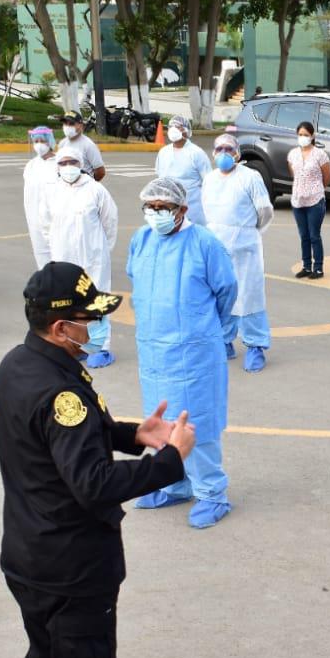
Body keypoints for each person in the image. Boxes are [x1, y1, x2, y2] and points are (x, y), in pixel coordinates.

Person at [0, 263, 196, 658]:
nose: (96, 329)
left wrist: (132, 433)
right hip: (73, 565)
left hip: (28, 554)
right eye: (87, 321)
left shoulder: (20, 365)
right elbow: (94, 483)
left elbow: (67, 437)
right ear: (60, 328)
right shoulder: (61, 391)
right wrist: (169, 460)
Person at [127, 177, 239, 527]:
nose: (156, 214)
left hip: (194, 352)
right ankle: (174, 484)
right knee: (161, 422)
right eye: (151, 207)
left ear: (182, 210)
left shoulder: (204, 243)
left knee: (197, 424)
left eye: (164, 208)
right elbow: (137, 282)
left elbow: (226, 291)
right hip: (153, 349)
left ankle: (211, 493)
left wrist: (206, 329)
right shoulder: (141, 240)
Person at [204, 133, 275, 370]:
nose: (223, 153)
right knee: (222, 296)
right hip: (217, 247)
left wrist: (248, 234)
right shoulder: (210, 179)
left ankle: (255, 346)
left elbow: (264, 211)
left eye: (228, 148)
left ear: (237, 153)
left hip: (245, 247)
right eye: (219, 148)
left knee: (249, 296)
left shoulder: (250, 177)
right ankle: (224, 341)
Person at [46, 149, 120, 369]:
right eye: (64, 162)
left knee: (96, 301)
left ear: (81, 163)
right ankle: (73, 345)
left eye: (73, 161)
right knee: (67, 302)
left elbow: (110, 221)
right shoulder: (52, 192)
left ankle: (100, 347)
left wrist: (103, 250)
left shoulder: (95, 190)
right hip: (64, 257)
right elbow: (45, 224)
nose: (68, 166)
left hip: (94, 256)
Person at [287, 120, 330, 279]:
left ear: (312, 136)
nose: (302, 137)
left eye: (305, 135)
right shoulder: (292, 154)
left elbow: (327, 176)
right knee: (303, 235)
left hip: (315, 200)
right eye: (300, 135)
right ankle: (306, 266)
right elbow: (294, 174)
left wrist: (316, 189)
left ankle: (318, 268)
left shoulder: (320, 154)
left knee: (314, 235)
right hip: (298, 200)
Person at [153, 114, 209, 225]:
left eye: (178, 127)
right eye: (171, 127)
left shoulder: (196, 153)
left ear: (186, 131)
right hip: (168, 209)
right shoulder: (164, 152)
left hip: (192, 211)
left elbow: (208, 182)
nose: (174, 130)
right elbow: (160, 178)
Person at [24, 125, 60, 268]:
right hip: (34, 219)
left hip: (55, 218)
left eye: (42, 141)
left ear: (50, 142)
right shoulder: (31, 165)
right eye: (36, 141)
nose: (39, 144)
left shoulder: (59, 164)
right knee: (40, 252)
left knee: (58, 252)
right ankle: (46, 281)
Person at [58, 109, 106, 182]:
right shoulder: (62, 143)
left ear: (80, 125)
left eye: (71, 124)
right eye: (65, 124)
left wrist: (89, 183)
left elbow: (100, 171)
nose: (67, 126)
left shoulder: (88, 145)